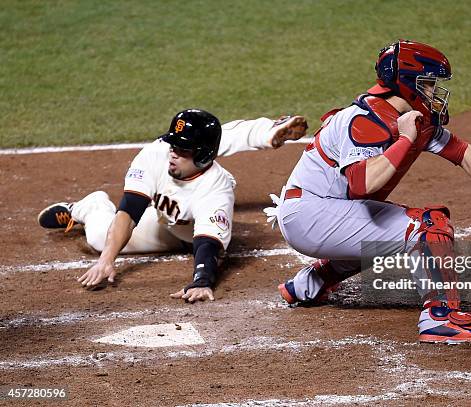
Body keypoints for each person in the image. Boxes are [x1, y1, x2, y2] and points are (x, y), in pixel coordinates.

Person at [265, 40, 471, 343]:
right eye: (428, 84)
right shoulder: (364, 121)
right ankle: (440, 317)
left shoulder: (413, 119)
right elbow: (361, 184)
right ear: (407, 85)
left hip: (325, 213)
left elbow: (461, 152)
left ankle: (310, 283)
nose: (434, 92)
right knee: (429, 225)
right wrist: (405, 139)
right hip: (309, 216)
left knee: (382, 230)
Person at [37, 109, 308, 302]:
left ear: (201, 156)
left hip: (187, 230)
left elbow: (207, 244)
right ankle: (89, 206)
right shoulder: (157, 153)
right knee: (99, 239)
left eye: (183, 150)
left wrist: (202, 281)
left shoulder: (216, 188)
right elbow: (130, 210)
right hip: (163, 218)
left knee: (196, 240)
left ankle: (267, 129)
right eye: (173, 145)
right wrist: (106, 260)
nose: (173, 153)